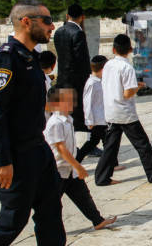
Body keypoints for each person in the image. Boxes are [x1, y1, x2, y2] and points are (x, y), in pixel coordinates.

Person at [0, 0, 66, 245]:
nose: (52, 27)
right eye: (47, 21)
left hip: (38, 149)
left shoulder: (28, 57)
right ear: (27, 22)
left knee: (50, 212)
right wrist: (3, 160)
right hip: (17, 154)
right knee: (12, 221)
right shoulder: (6, 59)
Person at [94, 34, 152, 186]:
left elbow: (112, 84)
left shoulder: (108, 65)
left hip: (110, 111)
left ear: (113, 49)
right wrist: (137, 86)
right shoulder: (127, 67)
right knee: (143, 145)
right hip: (125, 113)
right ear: (130, 49)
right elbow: (127, 93)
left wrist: (133, 85)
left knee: (110, 147)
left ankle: (102, 177)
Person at [43, 88, 117, 231]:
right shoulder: (55, 123)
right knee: (50, 203)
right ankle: (44, 228)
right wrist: (78, 166)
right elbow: (61, 148)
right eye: (67, 101)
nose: (71, 103)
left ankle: (97, 220)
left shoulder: (67, 120)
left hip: (69, 170)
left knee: (83, 196)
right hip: (57, 170)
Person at [53, 4, 92, 134]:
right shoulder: (78, 33)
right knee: (80, 117)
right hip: (76, 82)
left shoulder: (58, 32)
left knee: (61, 117)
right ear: (82, 17)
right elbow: (82, 60)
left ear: (67, 16)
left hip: (62, 79)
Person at [76, 56, 121, 166]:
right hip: (97, 120)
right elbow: (87, 103)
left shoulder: (100, 81)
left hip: (103, 118)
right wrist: (89, 121)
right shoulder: (92, 83)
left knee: (95, 142)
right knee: (107, 142)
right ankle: (112, 164)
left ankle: (77, 161)